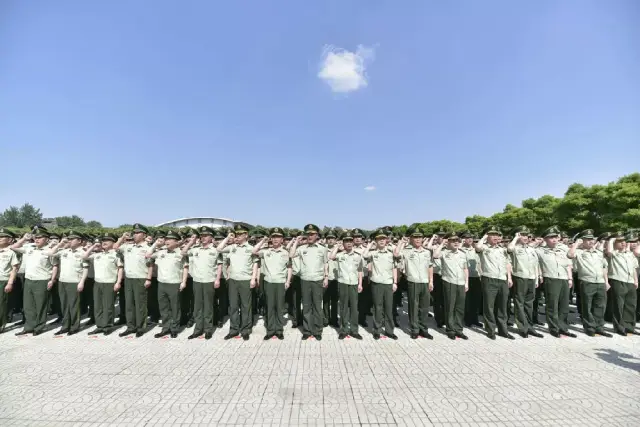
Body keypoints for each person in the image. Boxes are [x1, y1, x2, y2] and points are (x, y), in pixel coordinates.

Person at [11, 227, 59, 336]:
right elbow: (13, 247)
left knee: (41, 305)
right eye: (35, 237)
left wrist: (52, 280)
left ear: (46, 239)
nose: (37, 239)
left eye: (40, 237)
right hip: (29, 280)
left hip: (42, 280)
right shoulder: (29, 247)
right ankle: (29, 326)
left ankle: (39, 326)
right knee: (28, 306)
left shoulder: (49, 251)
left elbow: (55, 266)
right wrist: (23, 239)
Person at [567, 230, 611, 337]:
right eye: (587, 239)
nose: (590, 241)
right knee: (587, 306)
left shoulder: (599, 253)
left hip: (600, 282)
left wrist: (606, 282)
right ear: (583, 241)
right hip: (587, 282)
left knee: (600, 306)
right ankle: (589, 327)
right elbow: (570, 254)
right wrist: (577, 243)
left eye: (591, 239)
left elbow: (604, 268)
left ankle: (599, 327)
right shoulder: (579, 252)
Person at [217, 224, 258, 341]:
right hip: (233, 281)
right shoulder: (232, 247)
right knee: (233, 306)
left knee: (246, 306)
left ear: (246, 235)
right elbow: (219, 249)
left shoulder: (251, 248)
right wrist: (227, 238)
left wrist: (253, 278)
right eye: (237, 234)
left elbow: (255, 264)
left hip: (246, 280)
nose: (238, 236)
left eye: (240, 234)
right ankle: (234, 329)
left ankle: (245, 330)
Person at [145, 230, 189, 338]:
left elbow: (185, 268)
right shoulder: (161, 252)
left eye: (170, 239)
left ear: (176, 241)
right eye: (166, 239)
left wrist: (183, 282)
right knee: (164, 308)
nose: (167, 241)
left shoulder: (181, 253)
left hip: (174, 283)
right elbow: (148, 255)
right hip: (162, 284)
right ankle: (165, 328)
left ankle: (174, 328)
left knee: (175, 307)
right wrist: (155, 244)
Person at [181, 226, 222, 340]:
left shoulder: (215, 250)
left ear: (211, 237)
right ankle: (198, 329)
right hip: (197, 281)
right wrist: (191, 242)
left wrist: (217, 279)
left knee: (208, 306)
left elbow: (219, 265)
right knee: (197, 306)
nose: (203, 238)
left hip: (209, 280)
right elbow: (183, 252)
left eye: (206, 236)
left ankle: (208, 330)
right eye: (202, 236)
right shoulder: (195, 249)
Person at [114, 224, 154, 338]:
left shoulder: (147, 248)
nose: (135, 235)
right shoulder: (128, 246)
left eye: (138, 233)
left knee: (140, 304)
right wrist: (122, 238)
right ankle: (130, 327)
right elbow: (115, 247)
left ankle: (140, 327)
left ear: (144, 235)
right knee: (129, 304)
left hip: (141, 278)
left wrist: (148, 279)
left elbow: (151, 265)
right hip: (129, 279)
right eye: (134, 233)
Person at [289, 224, 328, 340]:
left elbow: (326, 263)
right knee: (306, 306)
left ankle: (317, 330)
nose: (310, 236)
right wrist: (296, 241)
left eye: (312, 234)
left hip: (317, 280)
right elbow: (291, 254)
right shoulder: (302, 249)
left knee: (317, 306)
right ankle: (307, 330)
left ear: (316, 235)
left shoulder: (322, 249)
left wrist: (326, 277)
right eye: (308, 234)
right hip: (305, 280)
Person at [536, 226, 576, 338]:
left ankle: (563, 327)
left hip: (564, 278)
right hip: (551, 279)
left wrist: (570, 278)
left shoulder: (563, 248)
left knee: (564, 305)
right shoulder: (540, 251)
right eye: (551, 237)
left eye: (555, 237)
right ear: (545, 239)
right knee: (552, 305)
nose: (554, 239)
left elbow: (569, 261)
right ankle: (553, 328)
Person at [394, 226, 434, 340]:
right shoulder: (406, 251)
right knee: (413, 307)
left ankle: (424, 329)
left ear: (422, 239)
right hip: (413, 282)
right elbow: (396, 254)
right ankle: (415, 329)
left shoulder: (427, 252)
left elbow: (430, 266)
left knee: (425, 307)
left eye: (420, 237)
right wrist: (401, 242)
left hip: (425, 282)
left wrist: (431, 281)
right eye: (415, 237)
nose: (417, 239)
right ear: (411, 239)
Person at [47, 230, 89, 336]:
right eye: (68, 239)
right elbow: (51, 253)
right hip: (62, 281)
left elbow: (85, 269)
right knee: (64, 305)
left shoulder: (83, 253)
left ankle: (74, 326)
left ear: (79, 240)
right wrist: (61, 244)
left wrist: (82, 282)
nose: (69, 241)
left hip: (74, 282)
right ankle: (65, 326)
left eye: (72, 239)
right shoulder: (64, 251)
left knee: (74, 305)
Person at [475, 226, 514, 340]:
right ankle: (490, 330)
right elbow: (477, 247)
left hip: (502, 279)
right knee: (489, 306)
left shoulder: (502, 249)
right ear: (487, 236)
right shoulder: (485, 248)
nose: (496, 237)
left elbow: (507, 263)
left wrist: (509, 278)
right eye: (493, 235)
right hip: (489, 279)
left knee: (502, 306)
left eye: (497, 235)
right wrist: (485, 237)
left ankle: (503, 330)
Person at [253, 227, 292, 340]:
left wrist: (288, 281)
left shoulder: (285, 252)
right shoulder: (266, 251)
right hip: (269, 282)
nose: (275, 239)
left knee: (279, 307)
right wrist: (263, 241)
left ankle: (279, 330)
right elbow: (254, 251)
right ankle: (270, 330)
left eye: (278, 237)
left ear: (282, 239)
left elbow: (289, 267)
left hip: (280, 282)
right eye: (273, 237)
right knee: (269, 306)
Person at [83, 232, 123, 335]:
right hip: (98, 283)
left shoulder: (116, 254)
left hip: (110, 283)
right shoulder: (97, 255)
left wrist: (118, 282)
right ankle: (99, 325)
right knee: (98, 306)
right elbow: (85, 256)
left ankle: (107, 326)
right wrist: (93, 246)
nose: (104, 242)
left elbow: (120, 269)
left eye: (107, 240)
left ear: (113, 242)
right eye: (103, 241)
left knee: (108, 306)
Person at [507, 226, 543, 338]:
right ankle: (522, 328)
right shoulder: (515, 248)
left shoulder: (531, 250)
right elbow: (509, 249)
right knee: (519, 303)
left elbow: (535, 265)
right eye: (522, 235)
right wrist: (515, 238)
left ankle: (530, 327)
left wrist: (536, 278)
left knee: (529, 304)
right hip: (520, 277)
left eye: (527, 235)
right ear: (517, 235)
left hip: (531, 278)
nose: (525, 237)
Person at [362, 228, 398, 340]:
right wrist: (370, 244)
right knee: (377, 307)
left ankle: (389, 330)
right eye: (379, 239)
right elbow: (364, 255)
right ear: (376, 241)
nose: (381, 241)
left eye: (383, 239)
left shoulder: (391, 253)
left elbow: (394, 268)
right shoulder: (373, 253)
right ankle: (377, 330)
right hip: (376, 283)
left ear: (386, 240)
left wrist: (395, 282)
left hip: (388, 283)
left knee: (388, 308)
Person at [433, 232, 469, 340]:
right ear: (448, 242)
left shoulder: (463, 254)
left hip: (461, 283)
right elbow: (435, 255)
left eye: (457, 241)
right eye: (453, 241)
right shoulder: (444, 252)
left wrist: (466, 282)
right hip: (449, 282)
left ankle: (459, 329)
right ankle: (450, 330)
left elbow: (465, 269)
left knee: (460, 308)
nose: (455, 243)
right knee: (450, 307)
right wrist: (441, 244)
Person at [329, 230, 363, 340]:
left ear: (353, 242)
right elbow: (331, 257)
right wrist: (336, 247)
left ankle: (354, 330)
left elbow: (360, 271)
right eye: (346, 241)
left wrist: (360, 284)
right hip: (343, 283)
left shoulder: (358, 256)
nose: (348, 243)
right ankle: (343, 330)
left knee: (354, 308)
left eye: (350, 241)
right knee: (343, 308)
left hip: (353, 283)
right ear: (343, 243)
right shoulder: (340, 255)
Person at [605, 232, 639, 336]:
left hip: (630, 282)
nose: (623, 243)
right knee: (619, 306)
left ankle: (629, 327)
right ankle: (619, 327)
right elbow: (609, 251)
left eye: (624, 241)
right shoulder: (613, 253)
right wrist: (611, 240)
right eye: (619, 241)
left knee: (631, 305)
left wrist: (636, 280)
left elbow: (634, 269)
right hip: (618, 280)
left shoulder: (630, 254)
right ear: (615, 243)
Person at [460, 231, 482, 328]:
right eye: (467, 238)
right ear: (463, 239)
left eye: (471, 238)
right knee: (467, 300)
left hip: (476, 277)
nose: (470, 239)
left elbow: (480, 263)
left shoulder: (476, 250)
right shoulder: (460, 250)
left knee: (476, 300)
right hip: (465, 277)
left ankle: (475, 319)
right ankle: (467, 319)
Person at [0, 228, 20, 333]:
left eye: (2, 237)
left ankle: (1, 324)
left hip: (3, 281)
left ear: (9, 240)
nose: (0, 238)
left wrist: (10, 283)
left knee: (1, 304)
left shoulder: (11, 253)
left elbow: (14, 268)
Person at [323, 229, 339, 328]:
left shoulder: (340, 249)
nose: (330, 240)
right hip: (325, 277)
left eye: (332, 238)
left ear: (335, 239)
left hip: (336, 278)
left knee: (334, 301)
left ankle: (334, 319)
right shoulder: (322, 249)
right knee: (325, 300)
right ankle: (325, 319)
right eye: (328, 238)